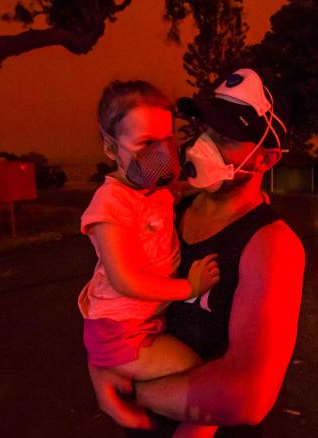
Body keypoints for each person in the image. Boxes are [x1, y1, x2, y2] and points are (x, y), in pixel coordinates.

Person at [88, 69, 305, 437]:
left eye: (223, 137)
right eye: (205, 128)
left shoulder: (271, 246)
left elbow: (247, 397)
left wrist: (127, 390)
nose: (202, 144)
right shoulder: (166, 209)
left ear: (265, 159)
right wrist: (100, 368)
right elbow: (109, 295)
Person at [79, 80, 222, 438]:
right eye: (145, 144)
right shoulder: (109, 206)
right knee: (204, 380)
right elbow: (125, 280)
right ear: (110, 148)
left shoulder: (152, 189)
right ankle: (118, 397)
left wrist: (229, 185)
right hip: (121, 331)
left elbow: (177, 192)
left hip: (139, 324)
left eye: (166, 140)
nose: (161, 153)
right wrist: (187, 287)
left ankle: (109, 383)